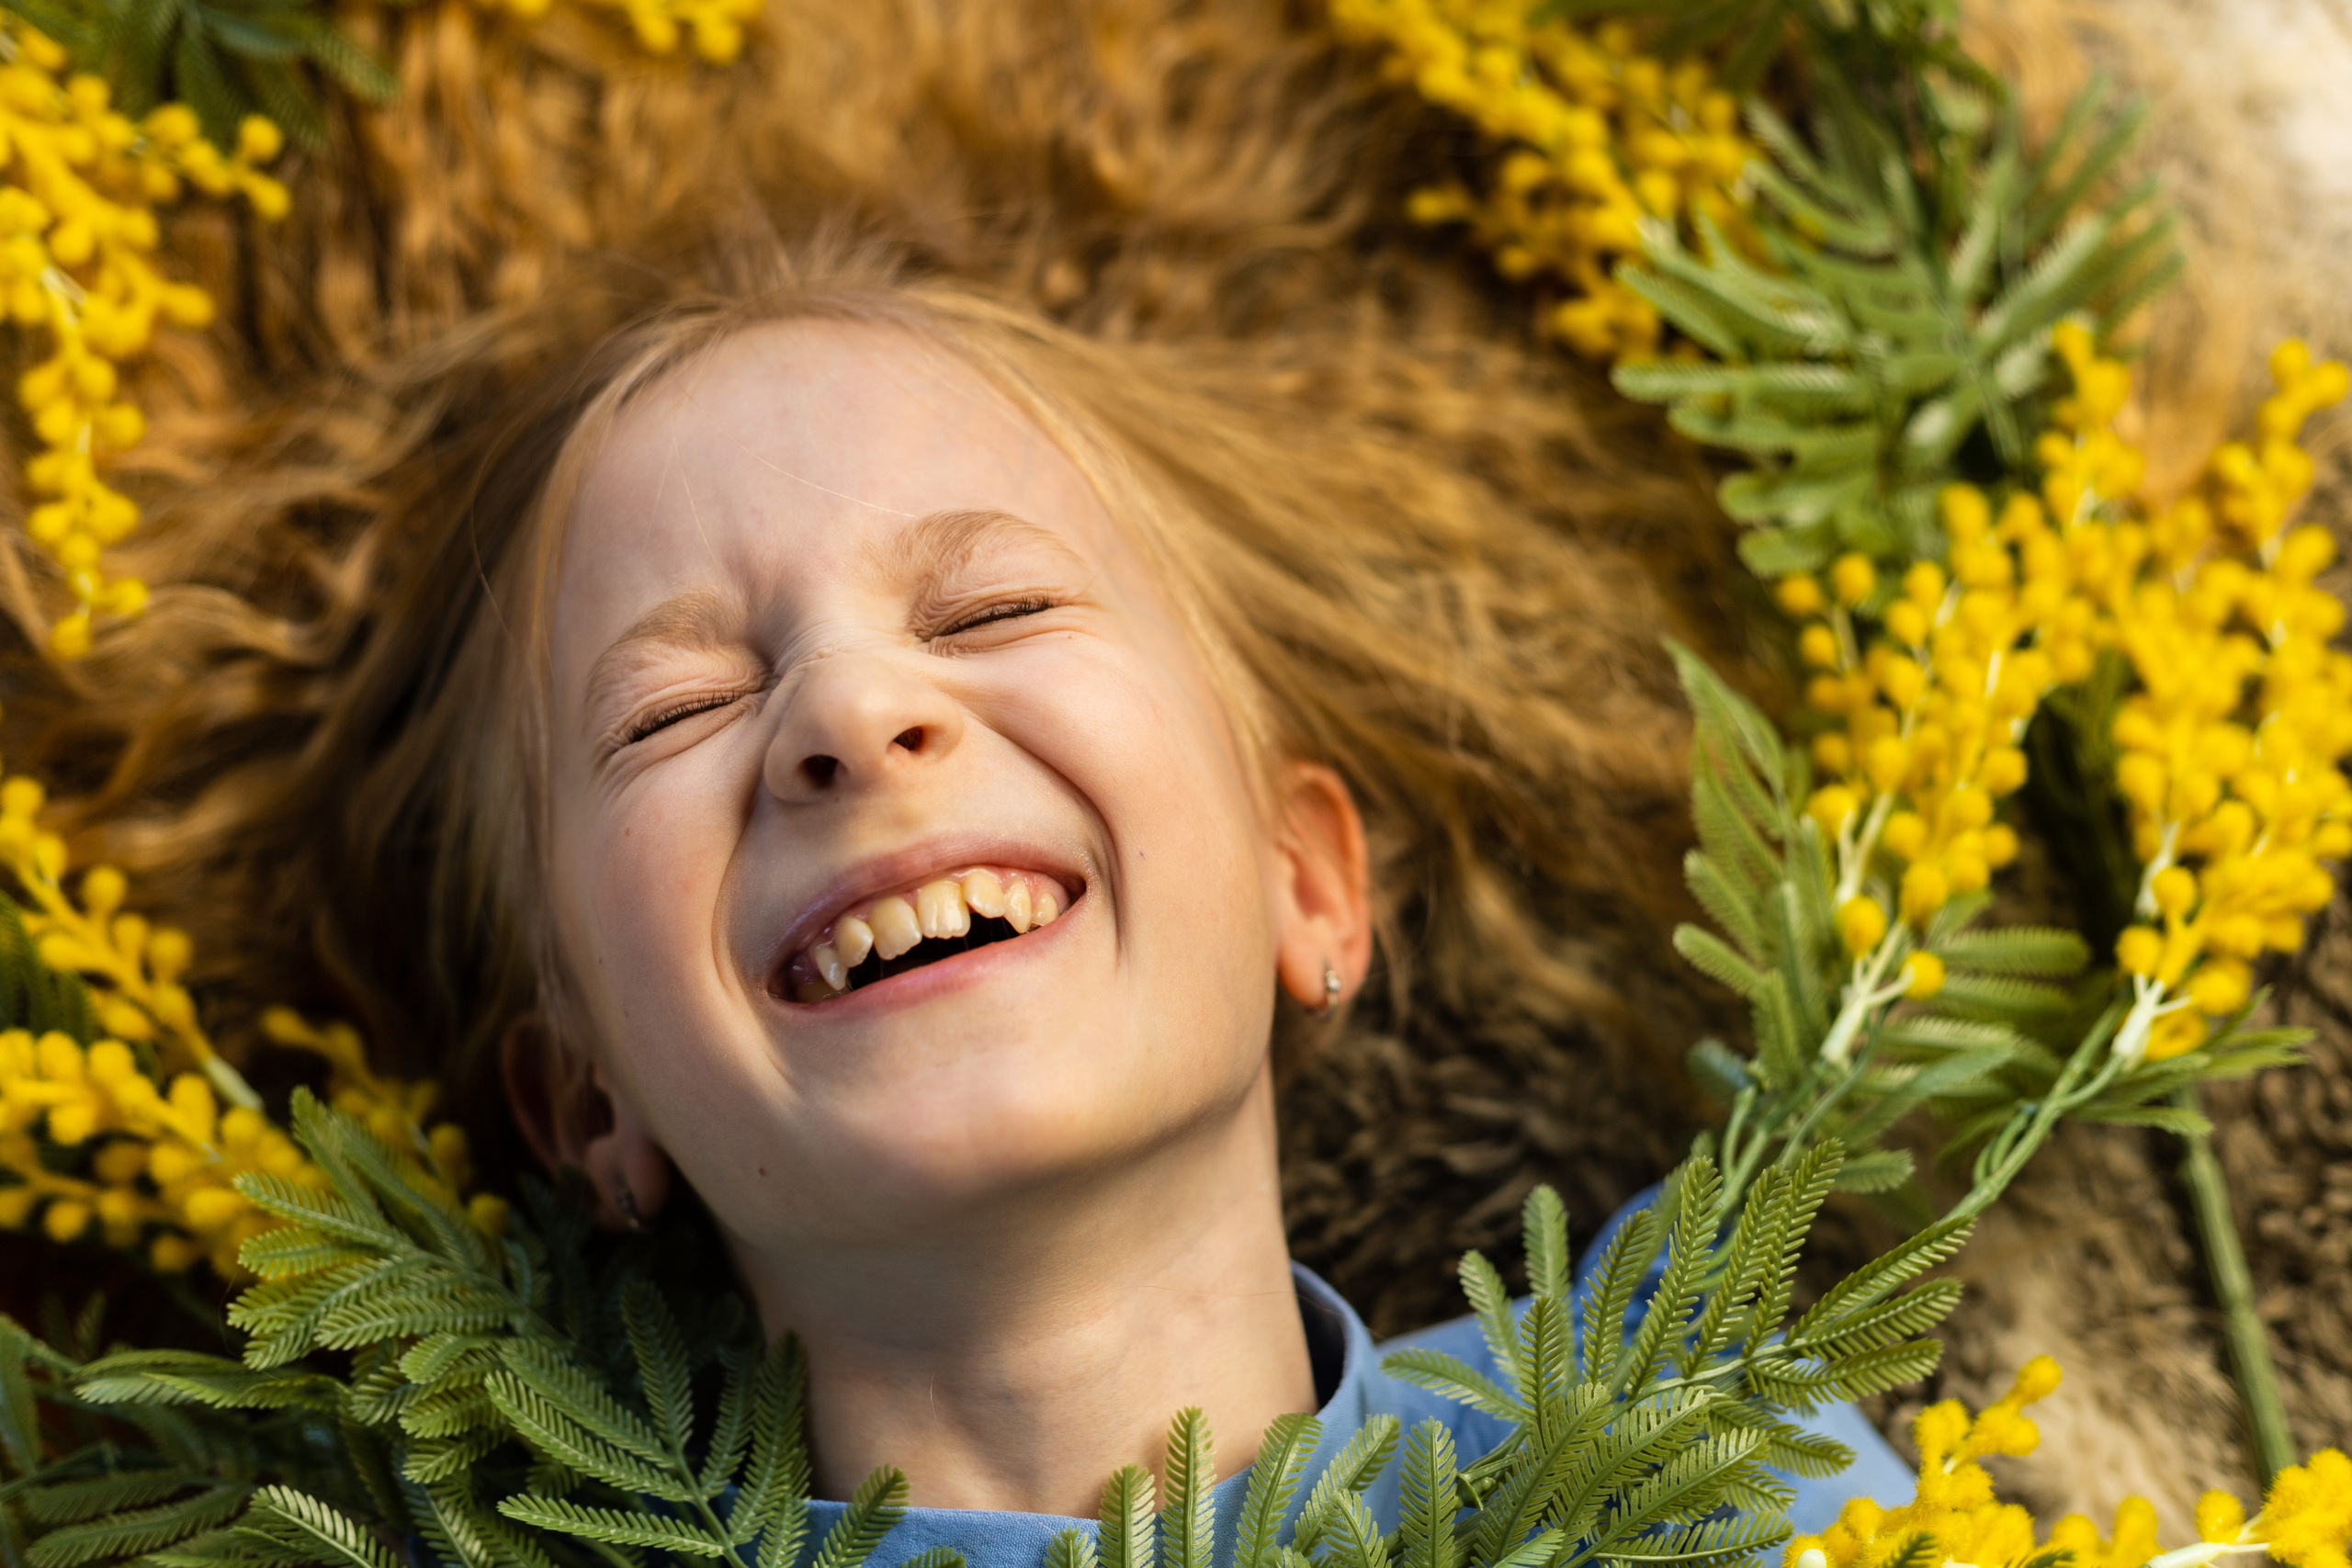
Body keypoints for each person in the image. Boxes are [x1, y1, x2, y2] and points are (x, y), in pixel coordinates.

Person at [42, 241, 1911, 1560]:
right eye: (672, 707)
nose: (849, 712)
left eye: (988, 608)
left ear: (1304, 879)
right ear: (587, 1100)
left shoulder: (1720, 1470)